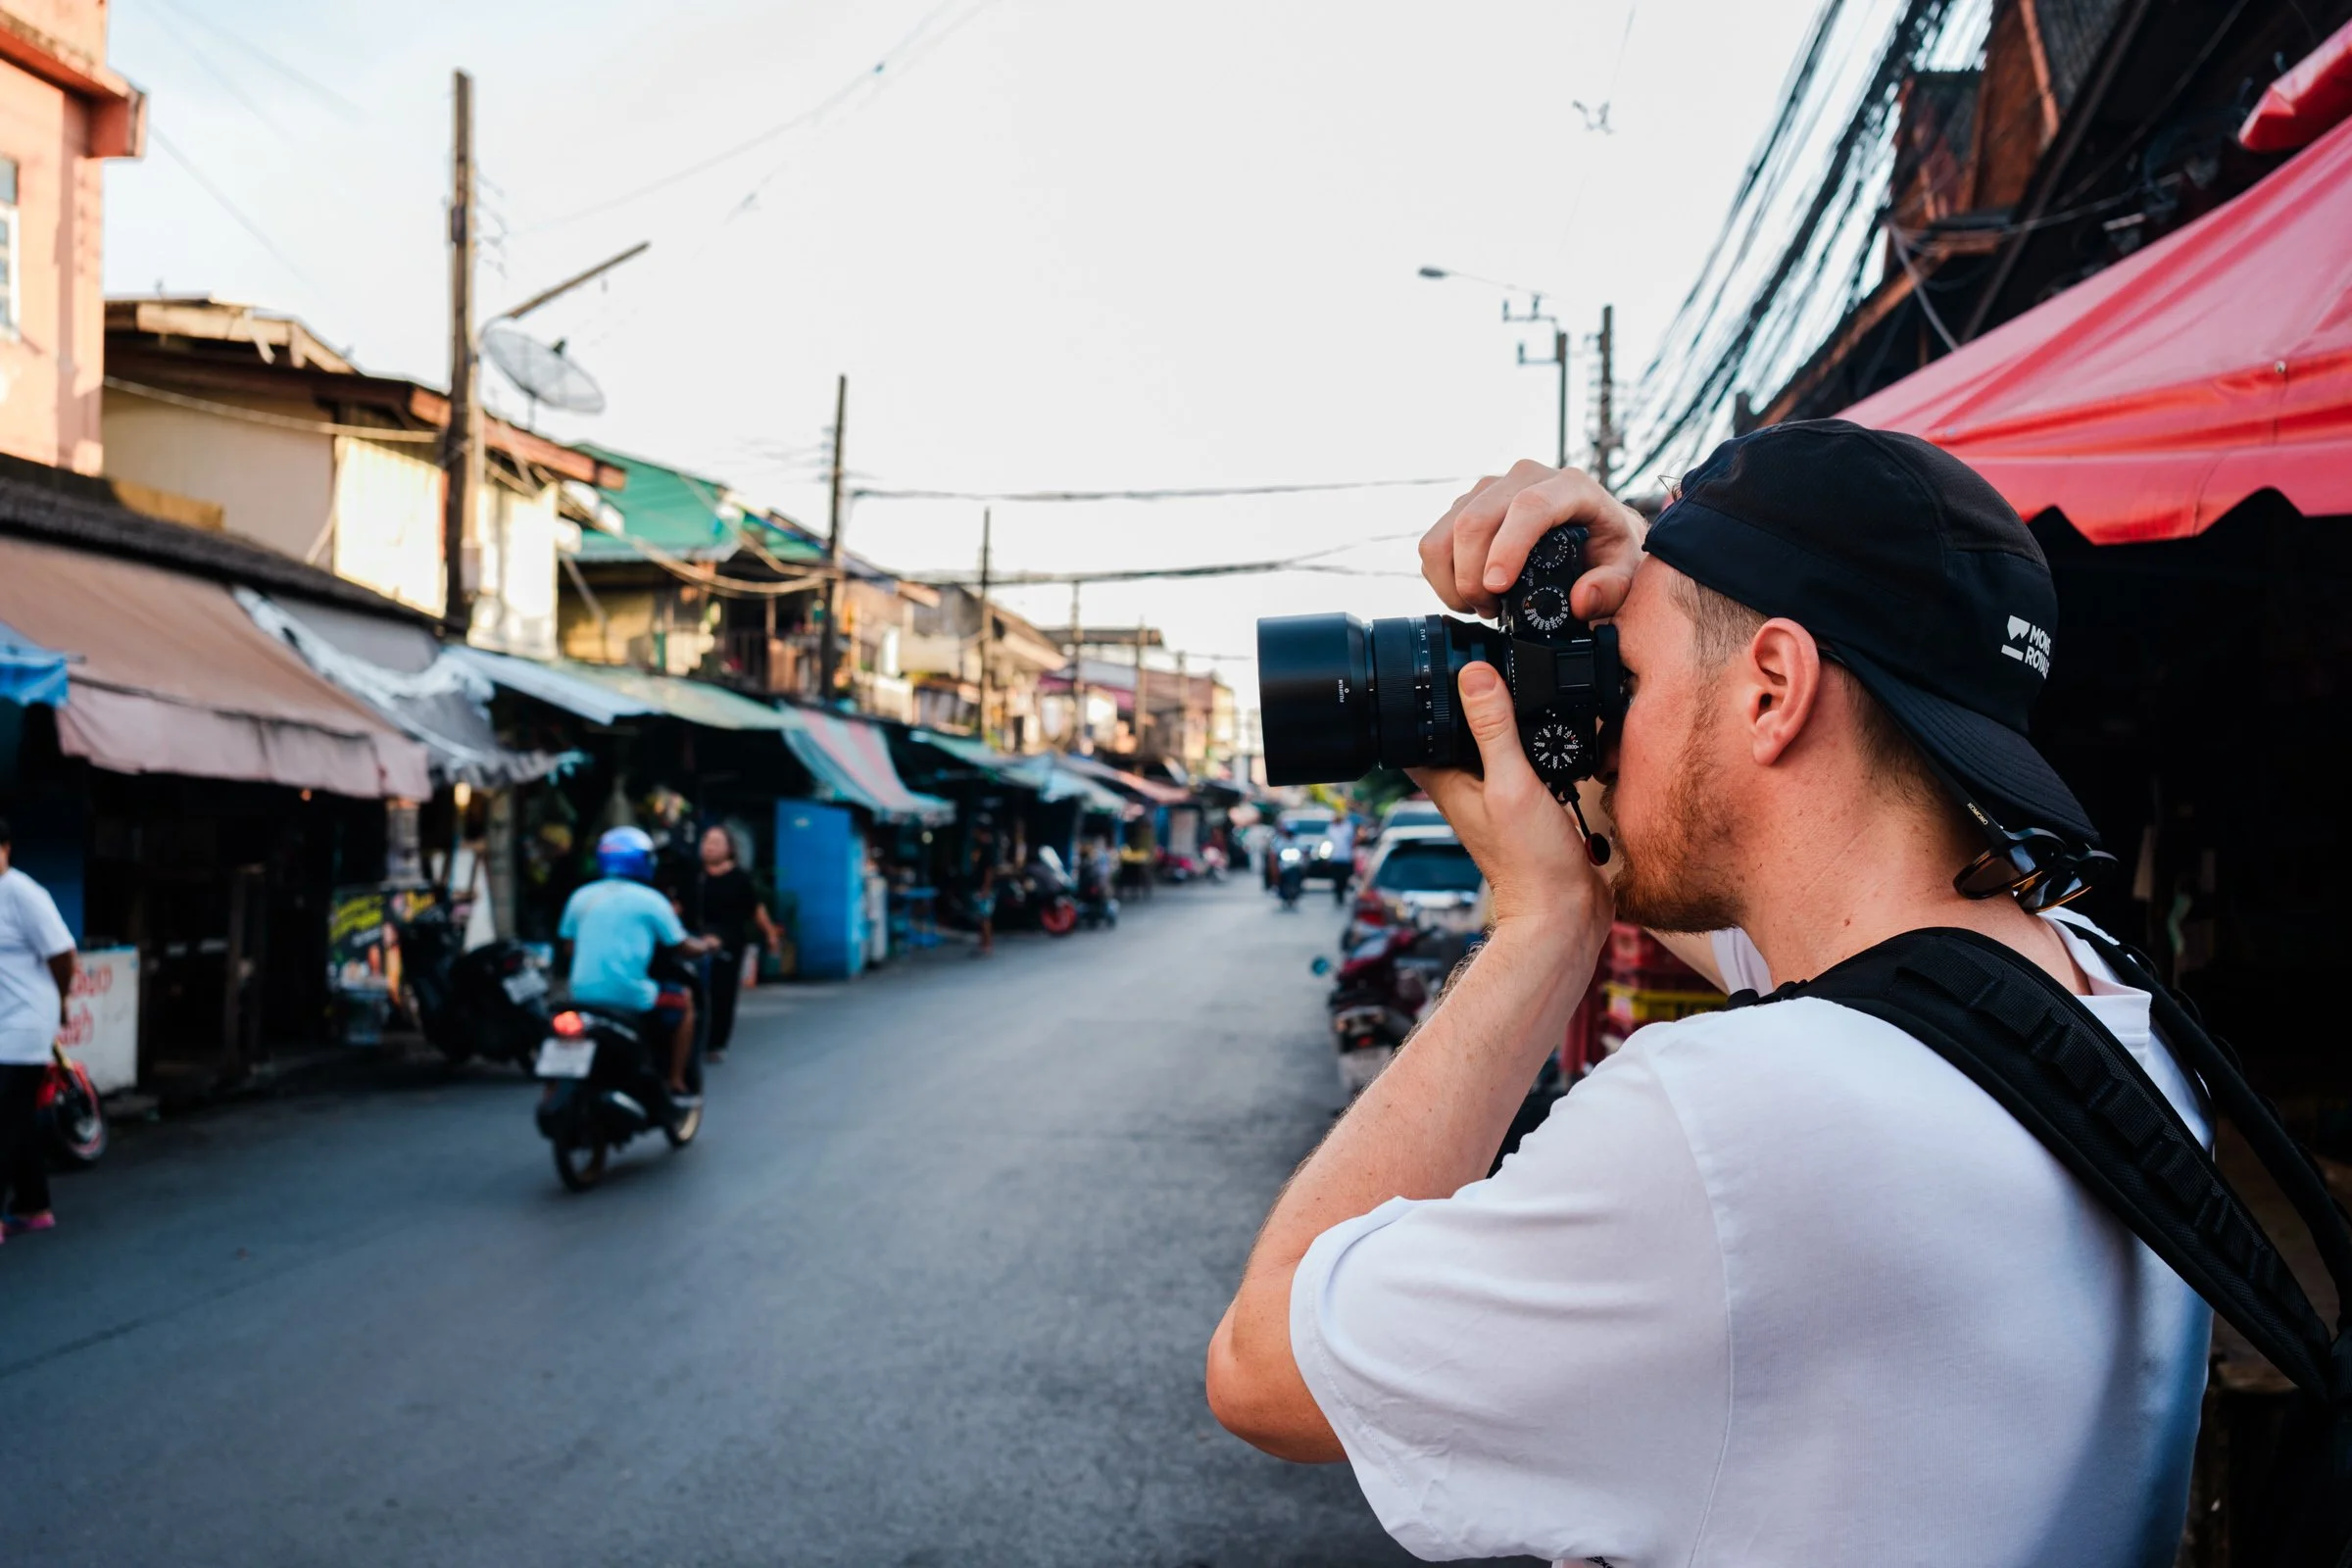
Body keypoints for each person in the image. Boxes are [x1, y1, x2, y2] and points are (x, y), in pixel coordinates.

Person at [1206, 421, 2209, 1565]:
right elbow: (1781, 921)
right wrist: (1661, 579)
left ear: (1772, 688)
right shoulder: (2101, 1002)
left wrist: (1543, 929)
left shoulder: (1728, 1131)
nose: (1601, 730)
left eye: (1625, 678)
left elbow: (1263, 1366)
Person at [557, 827, 718, 1113]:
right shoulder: (652, 901)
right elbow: (681, 945)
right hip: (632, 997)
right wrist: (706, 946)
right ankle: (676, 1081)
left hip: (580, 995)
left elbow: (569, 948)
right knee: (685, 1003)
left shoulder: (580, 896)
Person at [0, 817, 75, 1244]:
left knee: (4, 1117)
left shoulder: (24, 894)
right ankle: (33, 1207)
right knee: (18, 1118)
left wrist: (60, 1003)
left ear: (6, 849)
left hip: (26, 1023)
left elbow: (63, 953)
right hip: (3, 1023)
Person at [694, 826, 781, 1064]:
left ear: (729, 848)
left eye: (716, 842)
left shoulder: (740, 879)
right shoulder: (696, 877)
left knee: (723, 994)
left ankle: (717, 1043)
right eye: (707, 841)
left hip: (729, 943)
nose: (710, 847)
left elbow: (756, 909)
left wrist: (770, 934)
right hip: (697, 942)